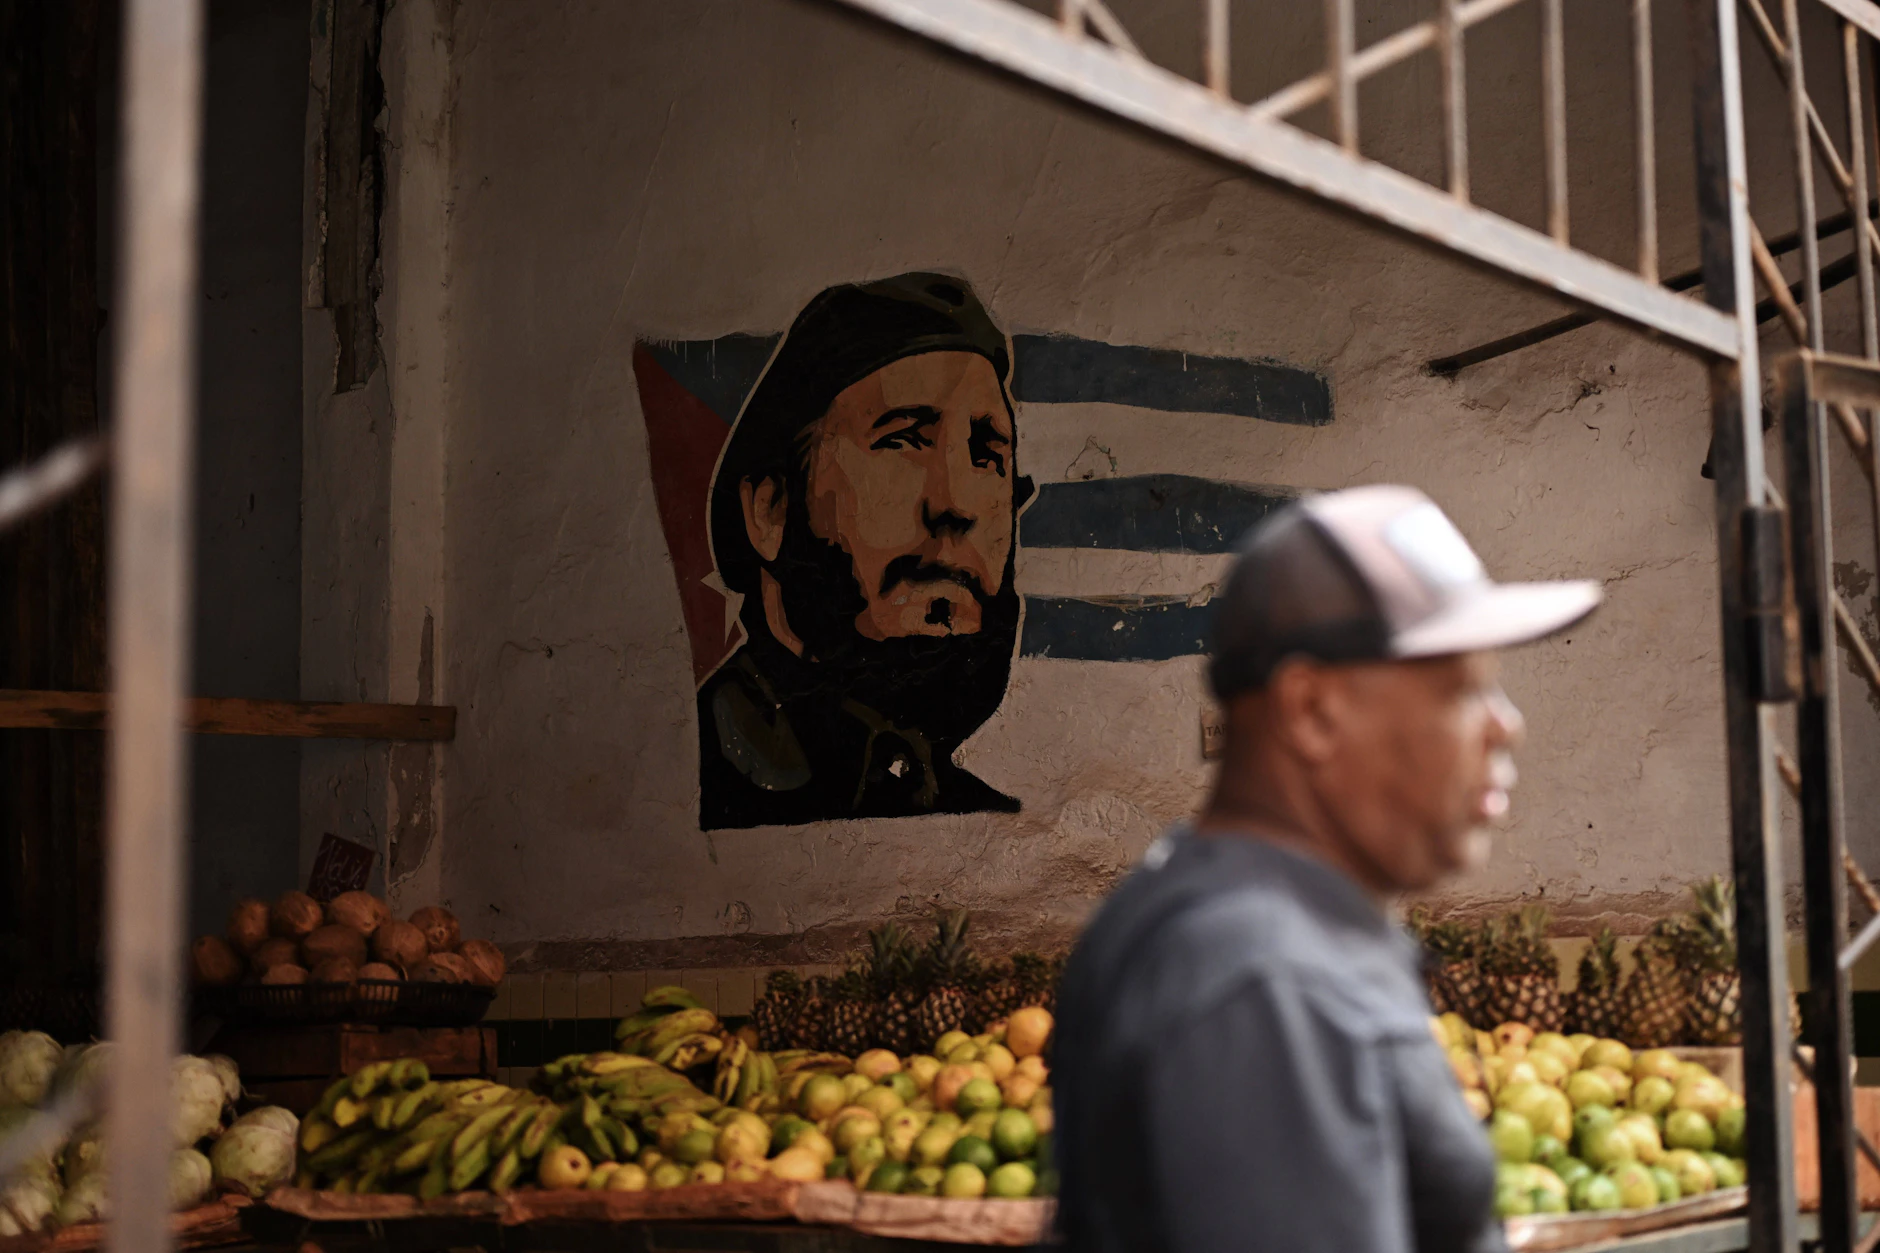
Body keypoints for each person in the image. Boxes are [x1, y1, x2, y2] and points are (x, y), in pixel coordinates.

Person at [1052, 484, 1601, 1253]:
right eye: (1463, 687)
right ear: (1309, 710)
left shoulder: (1225, 911)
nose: (1506, 723)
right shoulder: (1267, 984)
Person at [697, 273, 1030, 830]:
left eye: (987, 453)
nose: (956, 503)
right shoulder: (708, 773)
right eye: (903, 439)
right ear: (770, 510)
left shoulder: (968, 814)